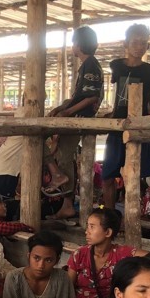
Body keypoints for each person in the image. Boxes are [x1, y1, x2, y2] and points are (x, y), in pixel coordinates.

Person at [102, 24, 150, 210]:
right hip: (118, 126)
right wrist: (111, 114)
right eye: (135, 42)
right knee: (108, 174)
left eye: (143, 43)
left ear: (148, 46)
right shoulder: (116, 66)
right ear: (125, 44)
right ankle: (110, 215)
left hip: (138, 126)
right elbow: (117, 92)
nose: (139, 47)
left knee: (134, 176)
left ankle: (132, 216)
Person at [49, 26, 104, 198]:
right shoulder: (88, 65)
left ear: (78, 44)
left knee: (64, 154)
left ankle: (64, 196)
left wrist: (68, 112)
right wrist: (60, 108)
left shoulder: (90, 64)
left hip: (81, 117)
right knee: (63, 153)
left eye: (73, 42)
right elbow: (78, 96)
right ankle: (64, 193)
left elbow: (91, 97)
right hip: (79, 115)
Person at [67, 207, 135, 298]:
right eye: (87, 226)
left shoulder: (121, 254)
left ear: (108, 232)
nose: (86, 231)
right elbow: (67, 289)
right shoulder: (79, 254)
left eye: (92, 227)